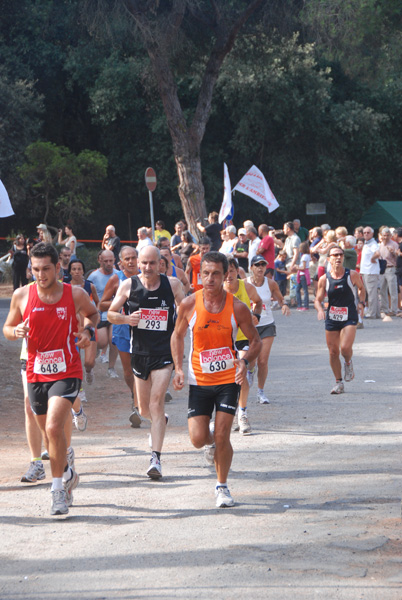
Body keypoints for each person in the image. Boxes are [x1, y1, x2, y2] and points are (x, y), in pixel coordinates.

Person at [3, 242, 99, 515]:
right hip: (35, 372)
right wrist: (16, 330)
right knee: (48, 433)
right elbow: (7, 328)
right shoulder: (22, 295)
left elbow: (93, 314)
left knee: (55, 427)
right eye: (35, 269)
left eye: (46, 269)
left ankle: (57, 489)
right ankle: (67, 472)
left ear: (58, 267)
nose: (40, 275)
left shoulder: (75, 294)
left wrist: (87, 333)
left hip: (67, 370)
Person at [171, 251, 261, 508]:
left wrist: (244, 361)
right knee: (198, 439)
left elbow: (255, 341)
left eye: (216, 274)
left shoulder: (238, 307)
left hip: (227, 379)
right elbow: (177, 336)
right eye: (205, 273)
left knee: (223, 435)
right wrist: (178, 368)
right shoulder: (188, 304)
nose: (209, 279)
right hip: (199, 380)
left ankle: (222, 486)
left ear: (226, 275)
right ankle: (211, 442)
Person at [107, 245, 185, 479]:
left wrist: (180, 325)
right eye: (144, 263)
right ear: (138, 264)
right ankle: (159, 421)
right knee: (144, 409)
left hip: (164, 353)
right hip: (139, 353)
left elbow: (185, 307)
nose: (148, 267)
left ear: (160, 263)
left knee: (155, 403)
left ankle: (155, 460)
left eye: (153, 263)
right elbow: (111, 313)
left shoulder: (171, 284)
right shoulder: (129, 285)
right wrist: (126, 318)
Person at [99, 246, 142, 427]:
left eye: (133, 258)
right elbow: (102, 305)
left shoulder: (147, 276)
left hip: (144, 329)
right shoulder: (116, 279)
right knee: (128, 371)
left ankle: (139, 406)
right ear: (121, 262)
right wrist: (120, 298)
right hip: (123, 329)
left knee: (143, 368)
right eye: (127, 259)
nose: (131, 261)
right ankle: (135, 396)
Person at [314, 246, 365, 395]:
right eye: (334, 255)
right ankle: (338, 382)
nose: (338, 258)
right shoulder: (324, 279)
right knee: (333, 352)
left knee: (345, 348)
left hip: (349, 316)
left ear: (343, 258)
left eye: (340, 255)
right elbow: (317, 299)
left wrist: (361, 303)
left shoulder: (352, 275)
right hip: (332, 317)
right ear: (329, 259)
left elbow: (362, 289)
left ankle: (348, 362)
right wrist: (319, 310)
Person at [224, 257, 262, 435]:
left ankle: (243, 414)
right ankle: (231, 412)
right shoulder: (217, 290)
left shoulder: (246, 287)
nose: (228, 275)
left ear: (237, 271)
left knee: (242, 373)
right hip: (225, 339)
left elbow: (259, 302)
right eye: (225, 271)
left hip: (243, 336)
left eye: (231, 270)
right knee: (231, 378)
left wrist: (256, 316)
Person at [247, 255, 290, 404]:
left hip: (267, 324)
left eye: (263, 265)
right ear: (251, 267)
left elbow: (280, 298)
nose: (260, 268)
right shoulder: (245, 284)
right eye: (257, 265)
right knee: (251, 360)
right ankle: (250, 371)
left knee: (263, 361)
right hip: (249, 326)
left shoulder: (270, 283)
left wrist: (284, 305)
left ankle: (260, 392)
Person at [88, 250, 119, 377]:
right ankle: (95, 350)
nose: (108, 263)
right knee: (102, 342)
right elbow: (87, 296)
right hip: (99, 313)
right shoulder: (93, 277)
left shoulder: (118, 275)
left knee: (114, 341)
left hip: (114, 313)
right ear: (100, 260)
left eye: (111, 261)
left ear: (114, 260)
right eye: (105, 261)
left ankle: (111, 368)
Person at [68, 258, 99, 386]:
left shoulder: (89, 286)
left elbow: (98, 303)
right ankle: (79, 390)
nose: (76, 272)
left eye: (79, 269)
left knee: (89, 362)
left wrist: (93, 314)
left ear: (83, 271)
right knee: (74, 362)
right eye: (74, 269)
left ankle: (89, 370)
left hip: (88, 326)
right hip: (72, 328)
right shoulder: (65, 286)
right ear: (70, 271)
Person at [360, 226, 381, 319]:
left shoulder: (373, 243)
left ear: (372, 234)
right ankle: (376, 313)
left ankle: (372, 313)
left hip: (370, 272)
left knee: (371, 293)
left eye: (368, 232)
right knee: (372, 293)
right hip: (366, 271)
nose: (366, 234)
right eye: (364, 232)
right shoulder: (366, 243)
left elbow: (377, 253)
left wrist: (373, 258)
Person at [378, 227, 399, 316]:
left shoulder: (394, 244)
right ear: (381, 236)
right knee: (382, 289)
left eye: (387, 235)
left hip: (391, 268)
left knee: (392, 290)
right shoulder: (380, 245)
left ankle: (394, 310)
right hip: (382, 269)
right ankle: (384, 308)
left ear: (390, 236)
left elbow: (398, 257)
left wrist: (394, 252)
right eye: (384, 235)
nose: (385, 237)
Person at [296, 241, 311, 311]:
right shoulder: (307, 255)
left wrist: (296, 267)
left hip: (303, 275)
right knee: (300, 289)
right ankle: (301, 304)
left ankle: (304, 305)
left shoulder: (304, 256)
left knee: (303, 290)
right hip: (303, 274)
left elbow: (303, 267)